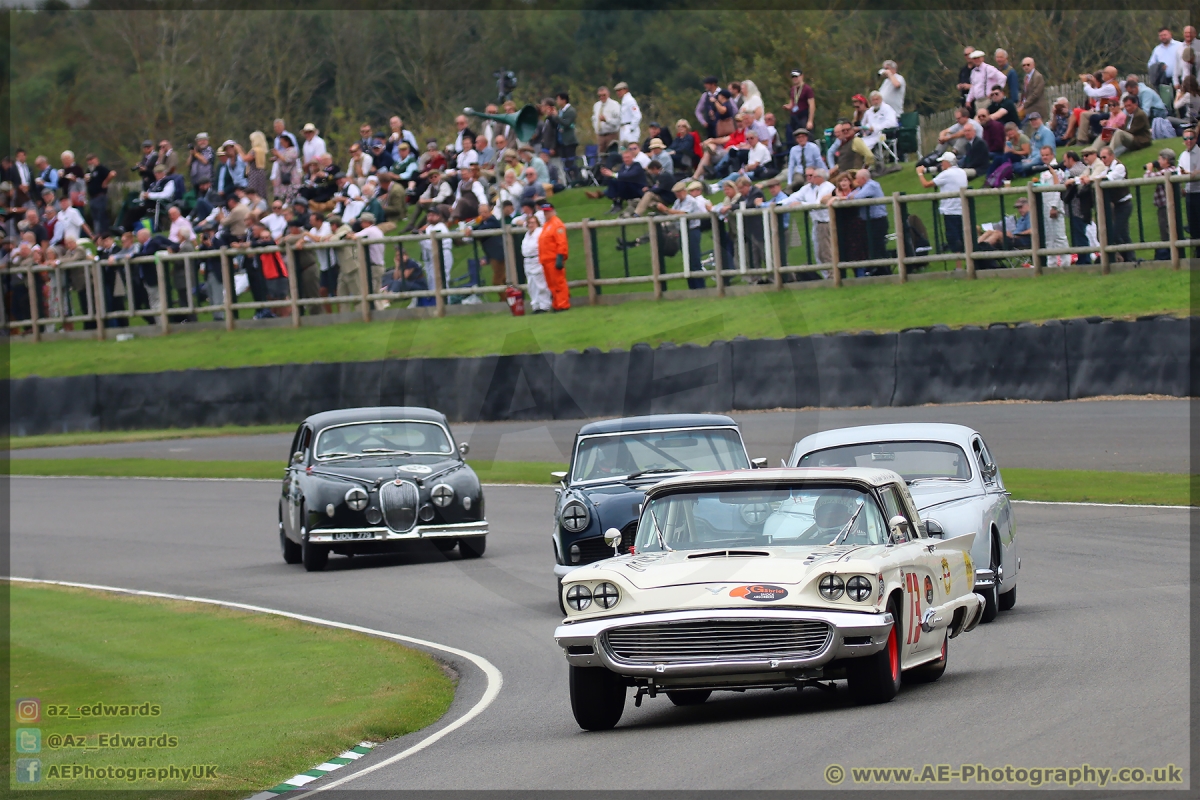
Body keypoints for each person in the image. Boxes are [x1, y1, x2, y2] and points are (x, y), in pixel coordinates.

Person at [916, 152, 968, 258]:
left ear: (947, 162)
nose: (941, 165)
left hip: (950, 210)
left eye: (943, 162)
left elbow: (926, 184)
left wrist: (920, 173)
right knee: (964, 237)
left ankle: (958, 267)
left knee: (954, 240)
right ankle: (969, 263)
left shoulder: (946, 174)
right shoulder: (962, 172)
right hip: (962, 209)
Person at [1033, 146, 1070, 265]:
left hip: (1055, 206)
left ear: (1052, 155)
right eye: (1042, 155)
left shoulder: (1057, 169)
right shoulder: (1044, 170)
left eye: (1047, 155)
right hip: (1045, 206)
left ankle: (1066, 262)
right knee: (1049, 237)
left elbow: (1058, 189)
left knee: (1059, 236)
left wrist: (1054, 207)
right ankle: (1051, 263)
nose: (1044, 157)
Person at [791, 166, 834, 266]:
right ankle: (829, 276)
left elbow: (818, 204)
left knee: (826, 252)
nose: (811, 179)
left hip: (825, 222)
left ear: (820, 177)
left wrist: (801, 204)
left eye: (814, 176)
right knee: (820, 252)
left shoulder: (827, 187)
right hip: (818, 222)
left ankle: (832, 276)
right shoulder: (817, 188)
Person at [1060, 151, 1094, 265]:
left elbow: (1063, 185)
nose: (1064, 164)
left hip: (1077, 208)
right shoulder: (1083, 168)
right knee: (1080, 233)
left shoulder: (1074, 171)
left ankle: (1085, 260)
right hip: (1082, 207)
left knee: (1080, 234)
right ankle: (1083, 258)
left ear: (1071, 159)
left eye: (1065, 161)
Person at [1144, 148, 1179, 260]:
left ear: (1166, 160)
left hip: (1166, 207)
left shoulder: (1167, 171)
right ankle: (1170, 255)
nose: (1158, 161)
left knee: (1166, 232)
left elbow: (1147, 179)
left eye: (1160, 159)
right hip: (1165, 207)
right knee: (1167, 231)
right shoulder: (1171, 170)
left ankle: (1169, 256)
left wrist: (1149, 169)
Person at [537, 201, 569, 311]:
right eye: (544, 212)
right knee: (552, 285)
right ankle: (556, 304)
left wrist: (560, 256)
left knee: (559, 283)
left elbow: (561, 242)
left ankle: (563, 304)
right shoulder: (547, 225)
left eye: (548, 212)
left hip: (553, 259)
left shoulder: (557, 224)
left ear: (553, 211)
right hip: (546, 259)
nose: (546, 214)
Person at [597, 148, 646, 214]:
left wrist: (613, 174)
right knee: (613, 180)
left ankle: (618, 204)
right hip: (627, 189)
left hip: (638, 191)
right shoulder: (623, 166)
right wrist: (609, 174)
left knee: (621, 180)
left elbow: (629, 176)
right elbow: (621, 176)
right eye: (624, 158)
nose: (626, 159)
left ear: (632, 157)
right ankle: (616, 203)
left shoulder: (637, 165)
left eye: (628, 157)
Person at [520, 212, 549, 312]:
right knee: (531, 285)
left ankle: (544, 305)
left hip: (537, 260)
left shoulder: (540, 233)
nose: (531, 225)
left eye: (533, 223)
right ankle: (536, 305)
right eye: (529, 223)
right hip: (528, 261)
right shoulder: (527, 235)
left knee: (541, 284)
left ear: (537, 223)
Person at [1178, 127, 1199, 258]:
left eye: (1191, 138)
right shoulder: (1183, 156)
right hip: (1189, 193)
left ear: (1196, 139)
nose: (1188, 141)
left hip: (1199, 192)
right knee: (1193, 223)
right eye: (1185, 139)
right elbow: (1179, 172)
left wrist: (1190, 174)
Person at [83, 153, 115, 234]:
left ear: (96, 159)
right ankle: (98, 234)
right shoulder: (89, 171)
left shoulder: (100, 168)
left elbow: (112, 173)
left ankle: (104, 233)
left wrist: (105, 182)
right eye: (89, 160)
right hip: (92, 197)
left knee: (101, 216)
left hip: (100, 196)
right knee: (95, 217)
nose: (90, 162)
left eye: (92, 160)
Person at [860, 91, 899, 155]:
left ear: (881, 99)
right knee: (859, 143)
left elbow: (891, 123)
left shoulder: (887, 108)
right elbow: (863, 124)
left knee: (867, 145)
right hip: (870, 135)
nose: (875, 102)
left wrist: (875, 128)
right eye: (873, 100)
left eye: (877, 99)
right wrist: (866, 129)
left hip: (884, 134)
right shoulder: (869, 112)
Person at [1018, 57, 1049, 125]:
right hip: (1028, 110)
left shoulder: (1038, 77)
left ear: (1033, 65)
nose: (1026, 67)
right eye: (1024, 65)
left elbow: (1035, 94)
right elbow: (1024, 94)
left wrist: (1024, 105)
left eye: (1028, 65)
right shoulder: (1026, 77)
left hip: (1036, 110)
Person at [555, 93, 579, 181]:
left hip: (569, 141)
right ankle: (568, 180)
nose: (557, 101)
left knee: (571, 162)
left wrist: (556, 116)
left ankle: (577, 179)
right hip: (561, 141)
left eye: (558, 99)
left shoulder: (571, 111)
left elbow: (566, 123)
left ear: (564, 100)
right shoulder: (560, 111)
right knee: (564, 163)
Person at [592, 86, 621, 155]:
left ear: (608, 94)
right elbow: (594, 118)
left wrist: (606, 120)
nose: (602, 97)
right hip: (600, 135)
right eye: (600, 96)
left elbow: (618, 121)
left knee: (612, 155)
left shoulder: (614, 105)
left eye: (604, 95)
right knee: (601, 155)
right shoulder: (596, 105)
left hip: (611, 134)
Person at [614, 82, 642, 148]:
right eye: (617, 91)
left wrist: (631, 128)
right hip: (624, 128)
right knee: (623, 150)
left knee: (631, 149)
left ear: (626, 90)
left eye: (620, 90)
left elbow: (637, 116)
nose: (618, 93)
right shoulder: (624, 101)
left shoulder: (630, 100)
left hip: (630, 129)